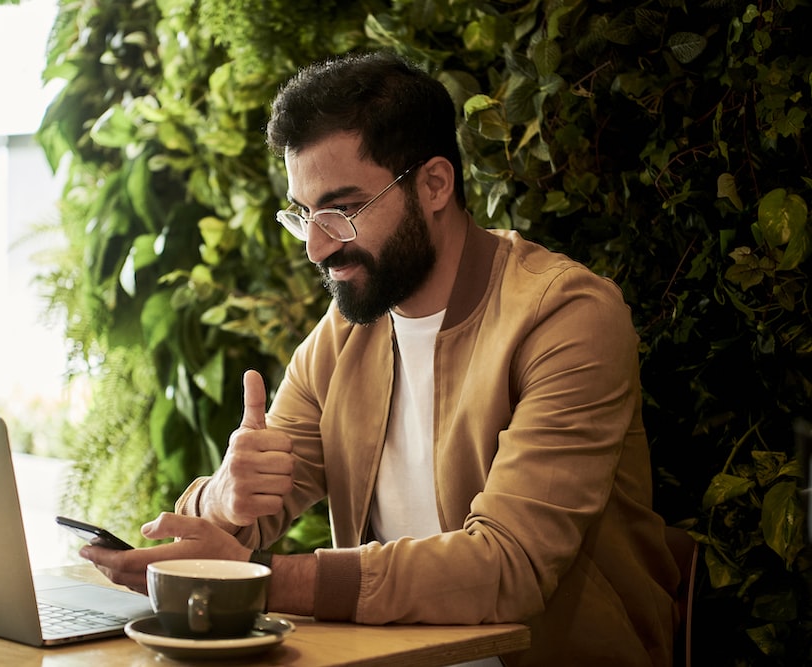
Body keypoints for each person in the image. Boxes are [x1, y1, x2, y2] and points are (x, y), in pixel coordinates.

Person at [80, 50, 680, 666]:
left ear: (434, 184)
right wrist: (226, 500)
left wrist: (262, 577)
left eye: (342, 211)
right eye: (305, 214)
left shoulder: (565, 316)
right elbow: (240, 520)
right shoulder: (346, 334)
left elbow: (509, 567)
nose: (316, 247)